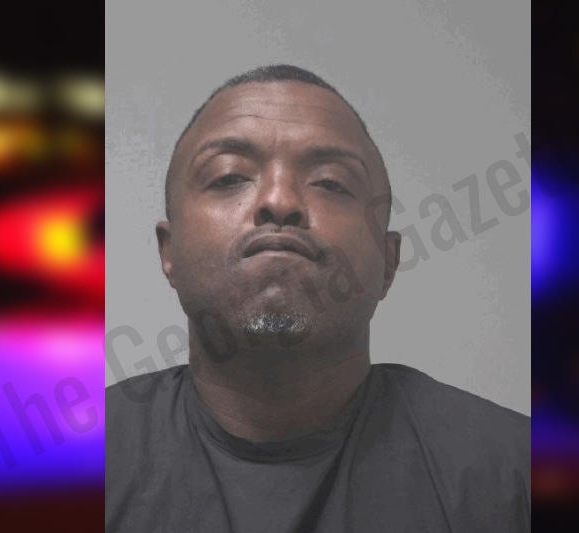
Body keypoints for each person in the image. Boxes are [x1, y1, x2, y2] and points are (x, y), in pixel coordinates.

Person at [106, 64, 530, 533]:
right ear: (169, 252)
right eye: (229, 176)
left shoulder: (514, 477)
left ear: (388, 262)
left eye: (329, 181)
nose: (279, 200)